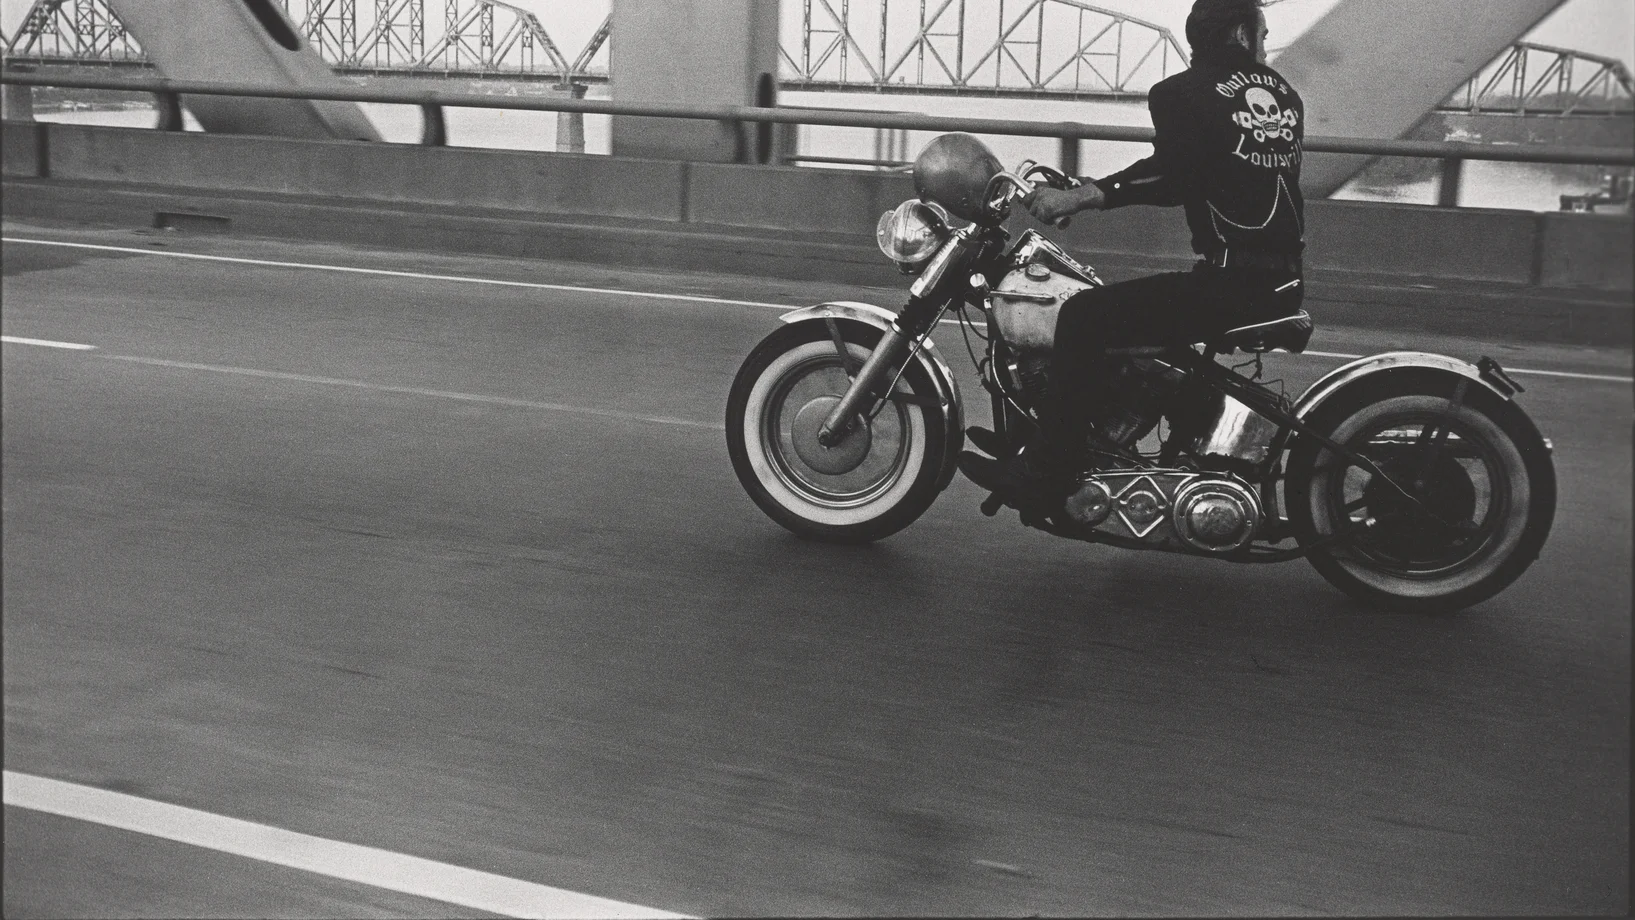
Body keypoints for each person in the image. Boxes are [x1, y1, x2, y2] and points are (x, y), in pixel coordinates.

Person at [960, 0, 1307, 509]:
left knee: (1081, 315)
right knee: (1124, 320)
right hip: (1277, 280)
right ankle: (1052, 437)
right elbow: (1216, 171)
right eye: (1264, 33)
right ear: (1240, 33)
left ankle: (1049, 470)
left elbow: (1172, 176)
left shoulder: (1182, 92)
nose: (1265, 43)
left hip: (1232, 286)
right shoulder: (1284, 95)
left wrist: (1082, 195)